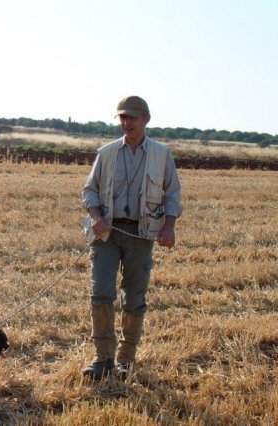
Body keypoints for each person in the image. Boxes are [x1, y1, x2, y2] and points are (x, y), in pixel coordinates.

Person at [81, 95, 182, 380]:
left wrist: (169, 226)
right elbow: (89, 190)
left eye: (132, 118)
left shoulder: (162, 155)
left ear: (146, 120)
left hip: (142, 234)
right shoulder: (107, 152)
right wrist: (96, 216)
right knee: (101, 292)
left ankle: (126, 360)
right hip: (107, 234)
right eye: (122, 118)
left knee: (134, 298)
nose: (126, 123)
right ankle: (102, 360)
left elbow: (173, 193)